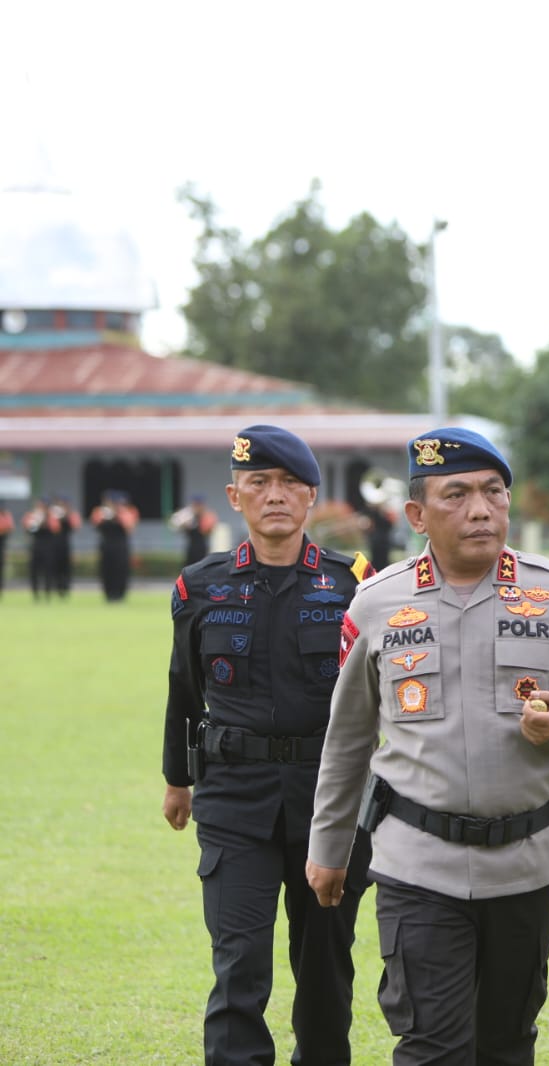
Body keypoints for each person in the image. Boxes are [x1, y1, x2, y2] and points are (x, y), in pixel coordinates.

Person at [306, 427, 549, 1065]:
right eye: (456, 495)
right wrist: (329, 849)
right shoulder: (376, 603)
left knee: (506, 1044)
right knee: (431, 1047)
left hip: (526, 862)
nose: (481, 509)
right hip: (415, 864)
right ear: (416, 514)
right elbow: (347, 739)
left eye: (494, 492)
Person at [162, 424, 374, 1065]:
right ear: (235, 496)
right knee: (238, 968)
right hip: (234, 802)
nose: (274, 495)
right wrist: (178, 779)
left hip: (330, 802)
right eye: (259, 483)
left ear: (312, 497)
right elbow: (183, 688)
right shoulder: (200, 587)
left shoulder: (354, 584)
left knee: (324, 972)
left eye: (288, 484)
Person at [90, 490, 139, 602]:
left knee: (121, 570)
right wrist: (106, 515)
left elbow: (130, 527)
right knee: (106, 570)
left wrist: (118, 515)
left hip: (121, 546)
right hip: (106, 545)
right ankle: (108, 595)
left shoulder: (128, 512)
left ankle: (120, 595)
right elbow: (95, 523)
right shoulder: (100, 512)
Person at [170, 494, 220, 567]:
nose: (197, 507)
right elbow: (176, 526)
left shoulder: (207, 516)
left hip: (202, 547)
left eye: (199, 504)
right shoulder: (188, 516)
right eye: (196, 504)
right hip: (191, 547)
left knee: (201, 566)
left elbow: (208, 530)